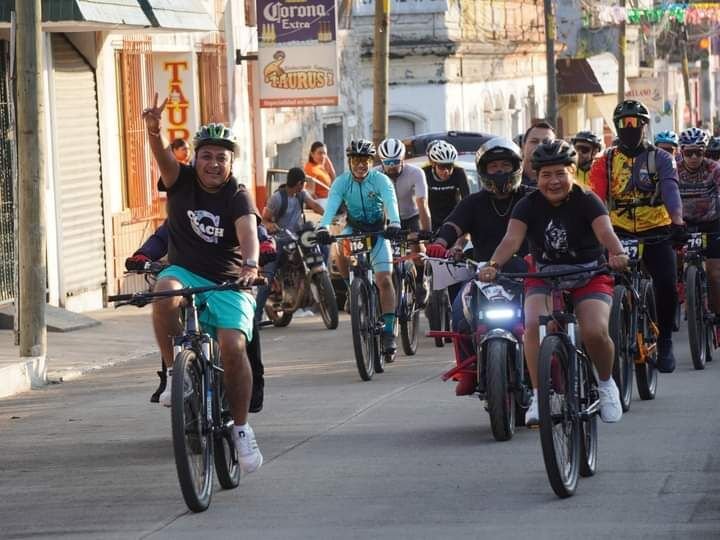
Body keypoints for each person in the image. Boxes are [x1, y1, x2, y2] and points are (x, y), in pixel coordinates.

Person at [142, 94, 263, 474]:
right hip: (186, 272)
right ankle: (175, 373)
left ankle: (241, 429)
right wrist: (153, 131)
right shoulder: (181, 180)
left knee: (232, 346)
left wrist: (250, 264)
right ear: (195, 157)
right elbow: (162, 158)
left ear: (231, 163)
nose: (213, 163)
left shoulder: (237, 194)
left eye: (221, 158)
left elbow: (249, 233)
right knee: (164, 291)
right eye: (206, 155)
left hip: (229, 280)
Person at [482, 140, 629, 425]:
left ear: (572, 172)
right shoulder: (527, 205)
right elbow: (511, 239)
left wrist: (617, 252)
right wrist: (493, 264)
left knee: (595, 331)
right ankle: (539, 396)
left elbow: (605, 232)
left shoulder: (588, 199)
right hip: (545, 275)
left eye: (560, 173)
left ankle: (606, 383)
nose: (553, 181)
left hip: (589, 273)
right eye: (546, 175)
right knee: (533, 325)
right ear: (536, 177)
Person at [425, 137, 532, 395]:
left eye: (505, 165)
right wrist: (440, 242)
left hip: (530, 273)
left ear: (516, 167)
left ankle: (552, 364)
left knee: (546, 317)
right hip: (484, 274)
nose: (499, 172)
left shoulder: (531, 198)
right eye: (493, 167)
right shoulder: (474, 202)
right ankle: (468, 370)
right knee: (460, 314)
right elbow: (453, 225)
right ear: (483, 171)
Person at [589, 99, 684, 373]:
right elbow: (596, 199)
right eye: (623, 123)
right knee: (603, 285)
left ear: (644, 125)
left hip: (656, 230)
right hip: (617, 232)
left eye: (634, 122)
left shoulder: (661, 158)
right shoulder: (605, 161)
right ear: (616, 126)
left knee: (666, 284)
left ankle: (664, 339)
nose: (629, 127)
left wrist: (677, 221)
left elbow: (670, 190)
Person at [315, 139, 402, 353]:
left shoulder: (381, 180)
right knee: (338, 252)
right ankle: (350, 289)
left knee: (384, 279)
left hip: (378, 231)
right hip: (353, 229)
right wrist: (323, 227)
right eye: (356, 160)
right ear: (349, 162)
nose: (360, 165)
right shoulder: (341, 182)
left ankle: (389, 331)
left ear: (371, 162)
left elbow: (391, 203)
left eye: (365, 160)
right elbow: (332, 206)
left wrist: (395, 223)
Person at [255, 167, 325, 323]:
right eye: (304, 183)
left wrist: (328, 216)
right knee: (267, 276)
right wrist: (270, 225)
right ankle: (256, 317)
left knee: (321, 247)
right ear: (299, 183)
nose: (304, 186)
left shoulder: (301, 194)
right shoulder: (277, 198)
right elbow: (264, 219)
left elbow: (313, 205)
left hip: (298, 238)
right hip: (279, 240)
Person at [676, 127, 720, 318]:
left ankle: (717, 315)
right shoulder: (673, 170)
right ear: (681, 151)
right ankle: (681, 291)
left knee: (714, 273)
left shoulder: (714, 168)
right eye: (688, 153)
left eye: (698, 152)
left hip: (711, 223)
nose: (694, 157)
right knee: (673, 262)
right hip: (683, 224)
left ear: (704, 152)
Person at [423, 140, 470, 231]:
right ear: (433, 165)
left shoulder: (459, 172)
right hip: (431, 220)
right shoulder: (424, 173)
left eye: (449, 166)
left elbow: (466, 199)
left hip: (453, 219)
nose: (446, 171)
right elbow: (419, 201)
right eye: (441, 167)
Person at [520, 121, 555, 186]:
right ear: (523, 146)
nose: (540, 146)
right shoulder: (511, 179)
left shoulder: (558, 181)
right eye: (534, 141)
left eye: (546, 142)